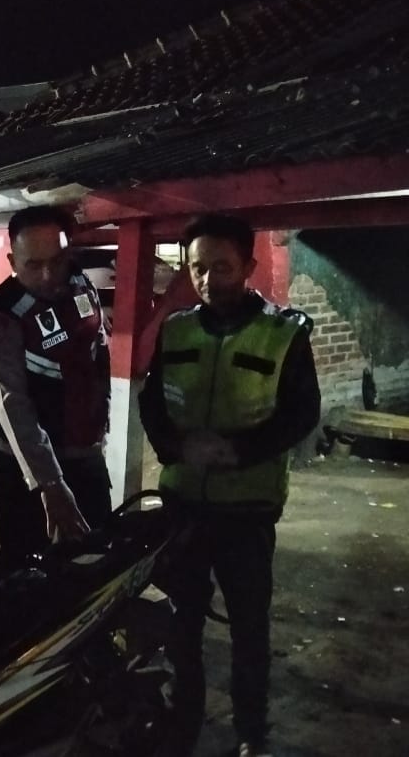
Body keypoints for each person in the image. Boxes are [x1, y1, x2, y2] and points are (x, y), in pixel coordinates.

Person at [138, 213, 321, 757]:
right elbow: (152, 402)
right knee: (181, 626)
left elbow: (301, 413)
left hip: (247, 511)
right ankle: (182, 724)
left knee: (248, 630)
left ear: (248, 266)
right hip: (182, 508)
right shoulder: (176, 330)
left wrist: (239, 452)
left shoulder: (284, 334)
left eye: (221, 266)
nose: (207, 278)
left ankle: (250, 733)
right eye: (198, 267)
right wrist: (176, 447)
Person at [0, 205, 112, 576]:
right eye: (33, 265)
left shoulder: (81, 286)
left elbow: (97, 355)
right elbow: (13, 408)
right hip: (29, 475)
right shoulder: (1, 319)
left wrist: (102, 423)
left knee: (93, 563)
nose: (49, 275)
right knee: (25, 574)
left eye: (57, 261)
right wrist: (50, 484)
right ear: (12, 262)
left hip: (86, 457)